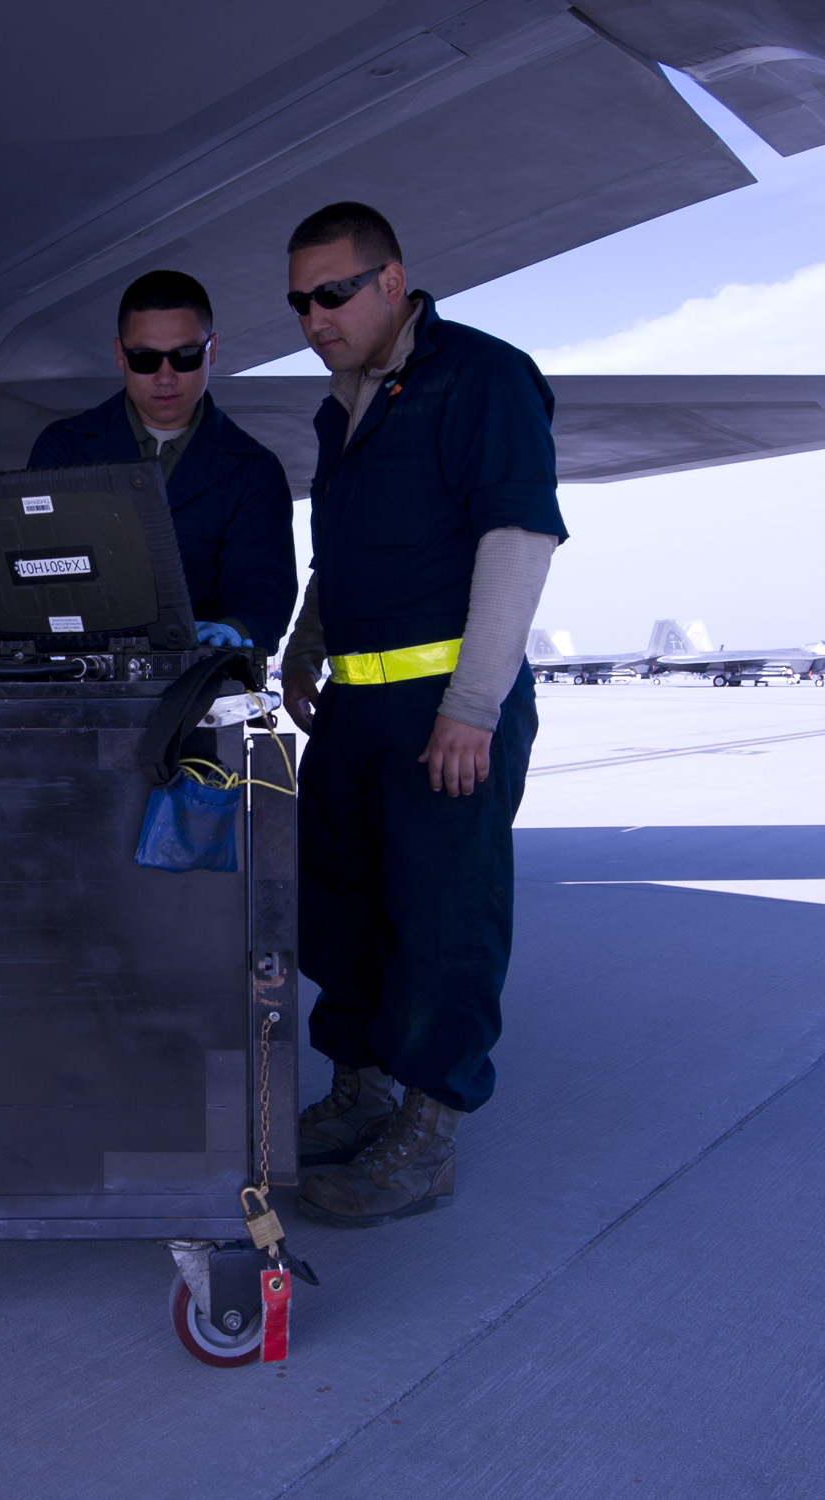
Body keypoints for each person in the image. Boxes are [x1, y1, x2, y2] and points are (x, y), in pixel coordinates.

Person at [276, 202, 566, 1228]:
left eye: (335, 293)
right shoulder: (340, 408)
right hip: (355, 712)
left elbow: (519, 539)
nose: (315, 317)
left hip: (446, 712)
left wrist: (473, 707)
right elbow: (342, 556)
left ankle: (429, 1135)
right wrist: (306, 643)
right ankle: (363, 1093)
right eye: (301, 301)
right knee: (344, 910)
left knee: (445, 924)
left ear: (393, 280)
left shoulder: (479, 378)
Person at [28, 270, 297, 652]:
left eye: (185, 357)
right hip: (78, 679)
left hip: (196, 692)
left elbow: (263, 589)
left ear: (212, 350)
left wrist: (235, 630)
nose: (166, 377)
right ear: (121, 355)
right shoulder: (63, 451)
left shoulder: (253, 472)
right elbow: (34, 576)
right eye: (145, 358)